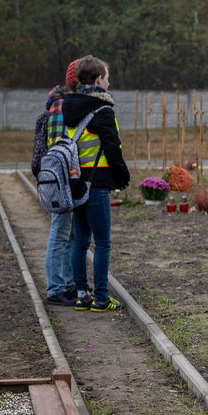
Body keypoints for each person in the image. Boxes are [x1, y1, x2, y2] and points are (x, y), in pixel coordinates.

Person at [62, 55, 130, 312]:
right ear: (99, 79)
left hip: (76, 183)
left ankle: (83, 295)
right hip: (97, 183)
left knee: (80, 241)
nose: (109, 83)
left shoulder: (70, 107)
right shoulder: (102, 110)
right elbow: (112, 148)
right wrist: (122, 177)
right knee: (102, 242)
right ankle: (101, 297)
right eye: (108, 78)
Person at [31, 59, 80, 306]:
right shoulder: (61, 106)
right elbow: (58, 146)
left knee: (67, 233)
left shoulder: (59, 103)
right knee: (60, 232)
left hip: (62, 177)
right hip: (61, 178)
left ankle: (68, 285)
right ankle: (55, 288)